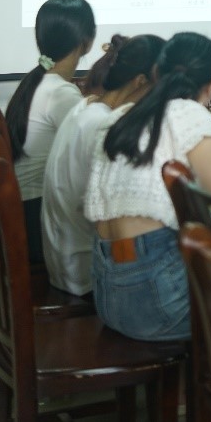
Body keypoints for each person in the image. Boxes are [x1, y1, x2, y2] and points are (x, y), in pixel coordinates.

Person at [85, 32, 211, 341]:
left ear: (157, 73)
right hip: (155, 300)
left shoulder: (124, 115)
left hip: (108, 294)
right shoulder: (189, 113)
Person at [42, 34, 163, 296]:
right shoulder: (105, 126)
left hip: (64, 259)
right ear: (141, 82)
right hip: (84, 272)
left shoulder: (86, 107)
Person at [5, 0, 96, 264]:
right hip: (36, 220)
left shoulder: (37, 83)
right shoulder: (61, 93)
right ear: (87, 41)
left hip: (20, 213)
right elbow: (96, 155)